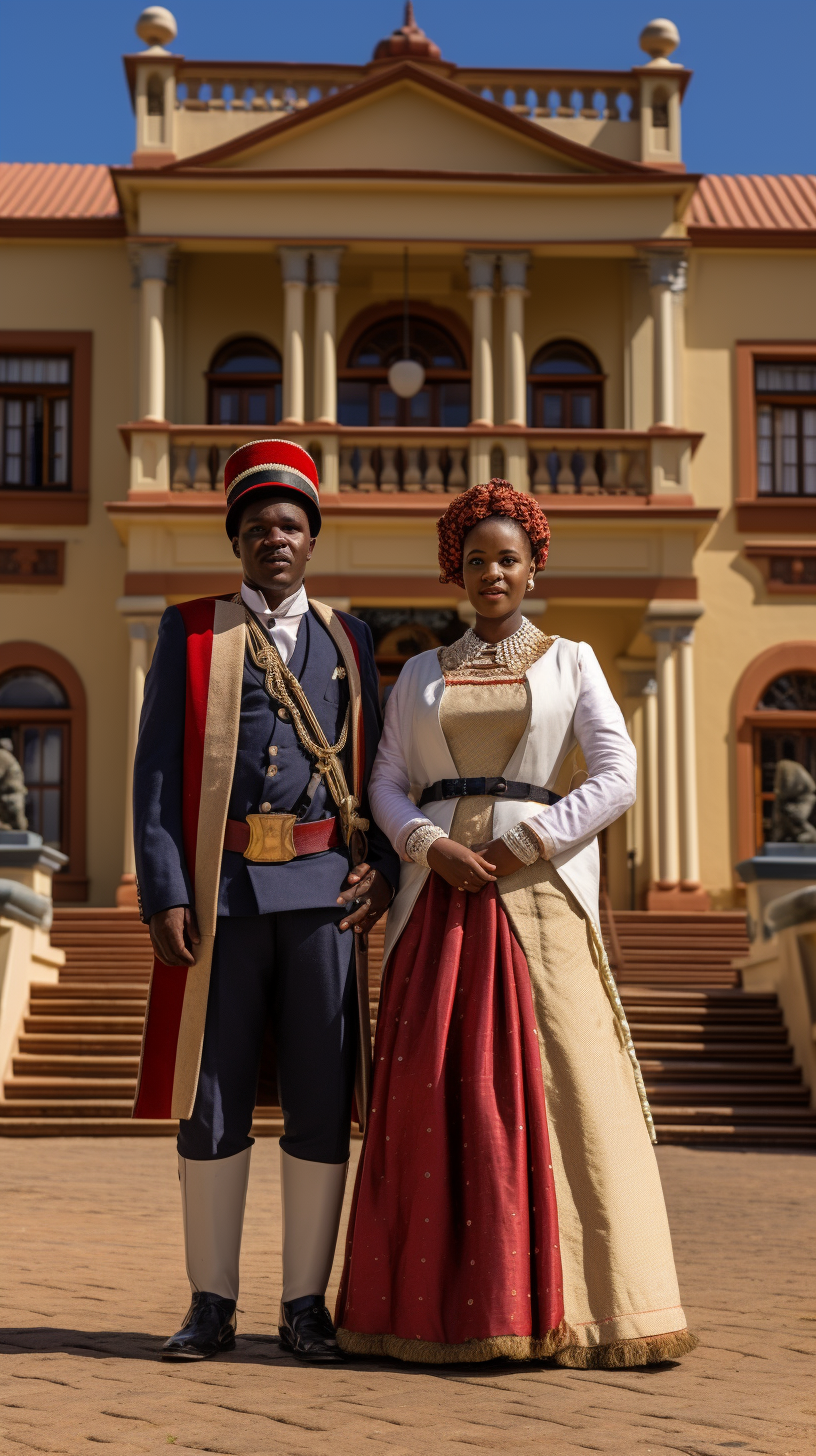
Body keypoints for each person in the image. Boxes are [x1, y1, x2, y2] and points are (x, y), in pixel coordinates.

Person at [335, 479, 697, 1369]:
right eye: (474, 561)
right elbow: (383, 780)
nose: (490, 573)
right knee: (433, 1090)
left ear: (533, 567)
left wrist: (531, 840)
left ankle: (593, 1308)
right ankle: (433, 1308)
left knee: (566, 1080)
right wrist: (423, 844)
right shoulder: (420, 671)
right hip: (440, 897)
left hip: (537, 888)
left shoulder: (574, 660)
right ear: (455, 573)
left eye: (506, 558)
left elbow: (617, 775)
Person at [132, 439, 398, 1364]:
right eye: (256, 527)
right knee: (212, 1101)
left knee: (323, 1098)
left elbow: (380, 772)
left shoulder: (348, 638)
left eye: (289, 524)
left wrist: (387, 870)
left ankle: (303, 1305)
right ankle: (211, 1302)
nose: (273, 538)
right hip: (224, 897)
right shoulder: (191, 631)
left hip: (325, 895)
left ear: (311, 539)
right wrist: (164, 886)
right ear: (238, 542)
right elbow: (157, 772)